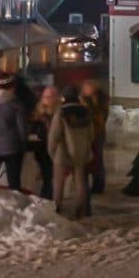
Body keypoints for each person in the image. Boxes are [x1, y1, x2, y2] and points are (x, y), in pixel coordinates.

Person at [48, 86, 93, 219]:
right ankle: (80, 210)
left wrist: (52, 152)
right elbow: (91, 134)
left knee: (58, 182)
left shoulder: (61, 112)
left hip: (63, 152)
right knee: (80, 182)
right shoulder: (86, 111)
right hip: (81, 152)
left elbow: (54, 136)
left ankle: (57, 208)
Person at [30, 85, 60, 199]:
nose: (47, 99)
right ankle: (46, 200)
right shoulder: (38, 112)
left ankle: (47, 201)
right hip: (41, 148)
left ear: (56, 97)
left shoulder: (59, 112)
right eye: (45, 96)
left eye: (50, 96)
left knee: (50, 177)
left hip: (54, 149)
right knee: (48, 177)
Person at [80, 79, 109, 194]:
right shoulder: (86, 100)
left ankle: (98, 185)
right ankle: (92, 184)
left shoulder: (99, 101)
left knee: (97, 159)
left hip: (97, 133)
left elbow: (99, 117)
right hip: (89, 133)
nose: (85, 90)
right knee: (90, 159)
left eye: (87, 88)